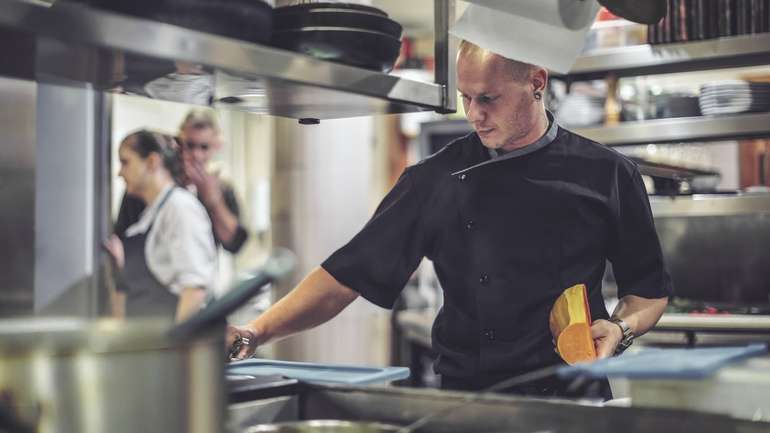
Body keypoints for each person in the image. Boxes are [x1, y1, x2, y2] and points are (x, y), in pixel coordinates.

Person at [227, 41, 671, 398]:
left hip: (577, 396)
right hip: (473, 402)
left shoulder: (608, 172)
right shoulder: (435, 179)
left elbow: (648, 293)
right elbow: (346, 275)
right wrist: (256, 331)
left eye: (488, 98)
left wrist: (618, 327)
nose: (473, 113)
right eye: (465, 97)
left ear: (537, 82)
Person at [104, 130, 217, 322]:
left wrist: (178, 349)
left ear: (152, 162)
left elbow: (195, 290)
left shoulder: (180, 208)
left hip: (169, 348)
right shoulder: (151, 215)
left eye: (125, 162)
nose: (120, 173)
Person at [114, 109, 248, 254]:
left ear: (215, 147)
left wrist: (215, 203)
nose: (196, 155)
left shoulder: (222, 189)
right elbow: (123, 237)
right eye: (190, 145)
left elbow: (235, 244)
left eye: (204, 147)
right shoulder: (151, 187)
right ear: (179, 142)